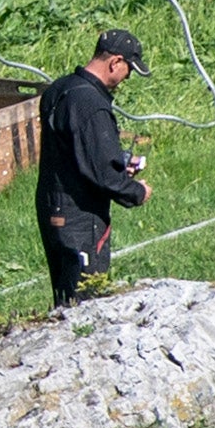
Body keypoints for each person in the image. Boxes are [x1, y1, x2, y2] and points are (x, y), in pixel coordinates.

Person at [35, 29, 153, 307]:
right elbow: (103, 173)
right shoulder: (92, 105)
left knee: (64, 297)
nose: (127, 78)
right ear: (116, 62)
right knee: (86, 301)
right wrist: (136, 191)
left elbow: (75, 152)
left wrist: (118, 164)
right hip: (80, 216)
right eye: (129, 70)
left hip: (52, 206)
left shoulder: (59, 89)